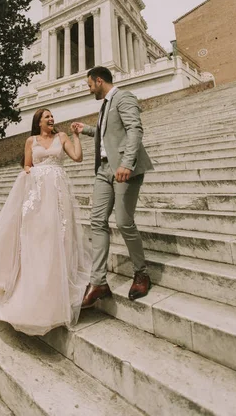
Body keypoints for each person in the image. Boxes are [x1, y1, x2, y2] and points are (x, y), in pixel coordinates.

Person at [0, 108, 91, 336]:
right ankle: (33, 288)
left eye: (52, 116)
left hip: (58, 192)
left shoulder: (62, 137)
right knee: (38, 238)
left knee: (61, 236)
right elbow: (27, 165)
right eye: (47, 117)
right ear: (38, 122)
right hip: (37, 195)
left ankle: (59, 288)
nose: (51, 119)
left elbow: (77, 157)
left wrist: (76, 136)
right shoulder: (31, 141)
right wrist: (31, 175)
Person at [71, 66, 154, 307]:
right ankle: (98, 282)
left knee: (124, 222)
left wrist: (127, 163)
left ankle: (141, 273)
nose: (89, 90)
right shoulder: (105, 106)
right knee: (97, 221)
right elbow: (106, 135)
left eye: (89, 85)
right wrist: (85, 129)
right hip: (104, 170)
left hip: (124, 169)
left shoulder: (123, 97)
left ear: (98, 81)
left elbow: (134, 130)